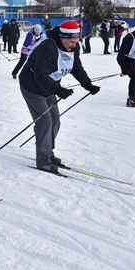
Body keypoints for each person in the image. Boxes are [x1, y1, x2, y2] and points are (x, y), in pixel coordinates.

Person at [19, 20, 100, 173]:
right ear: (62, 38)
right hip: (32, 87)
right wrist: (59, 90)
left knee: (55, 119)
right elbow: (41, 76)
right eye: (71, 41)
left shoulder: (73, 49)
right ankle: (43, 160)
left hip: (49, 87)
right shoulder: (48, 47)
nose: (74, 45)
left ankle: (49, 153)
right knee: (45, 121)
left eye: (76, 42)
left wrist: (88, 85)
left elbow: (77, 68)